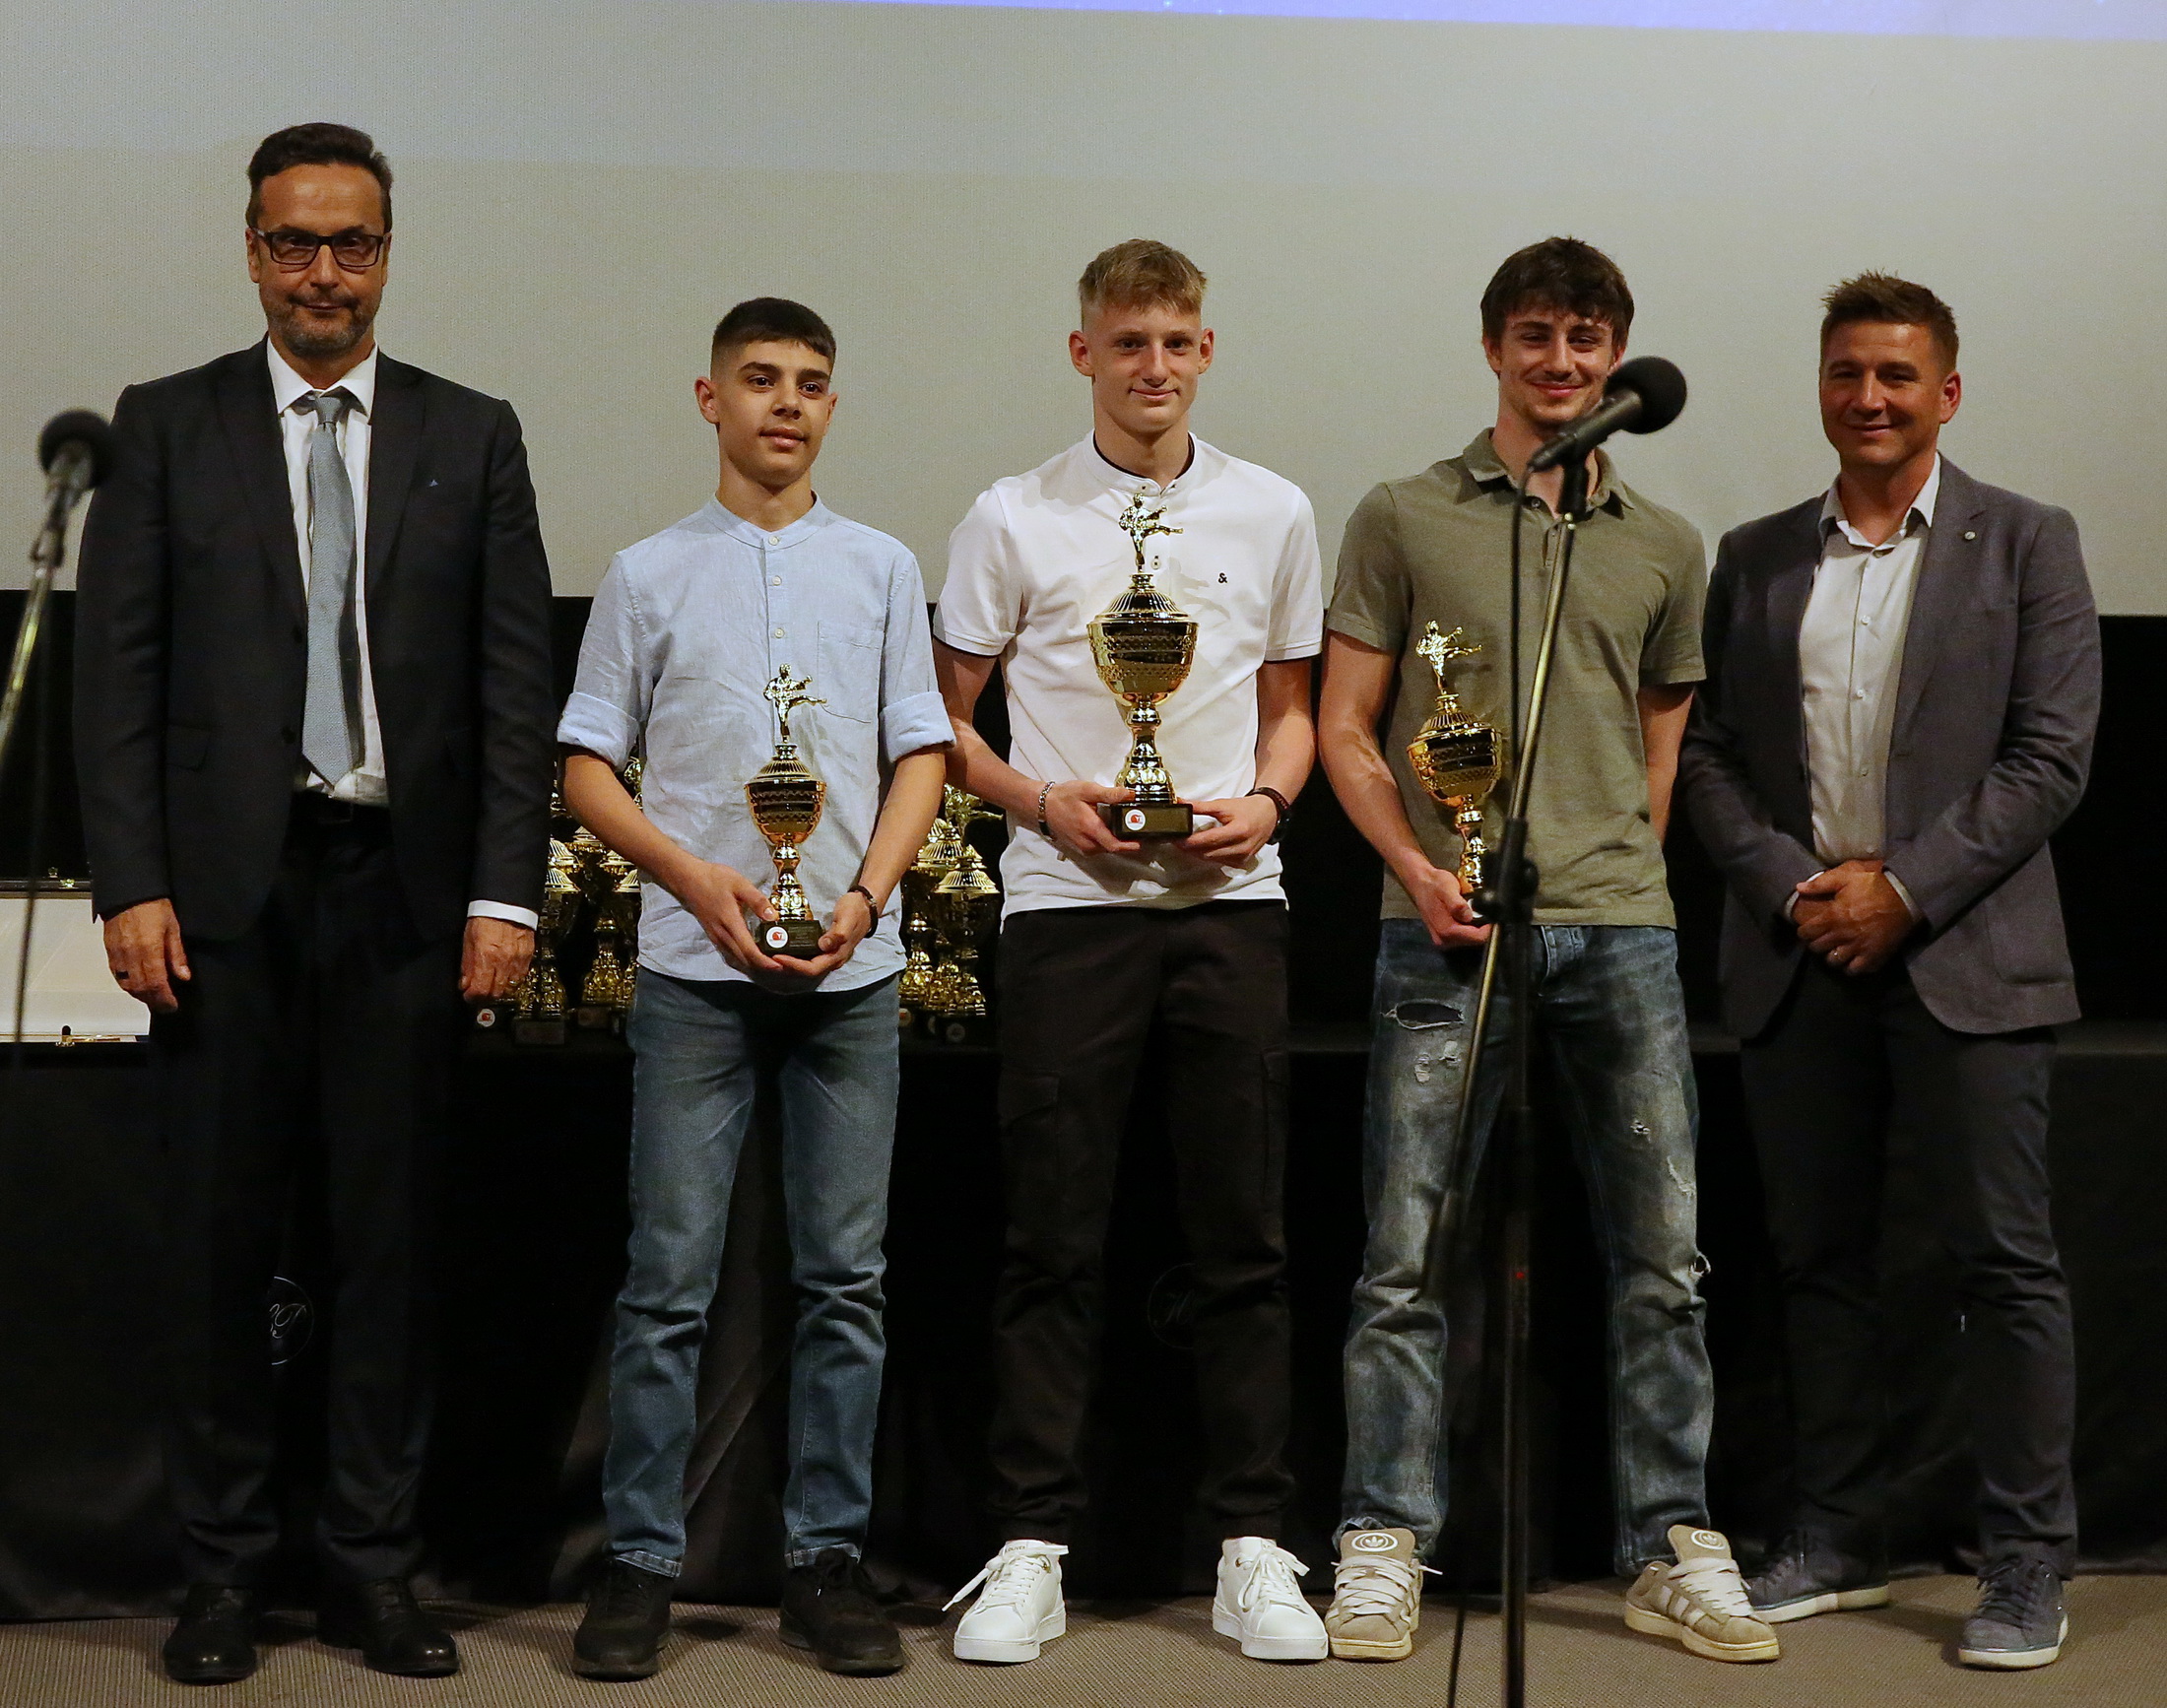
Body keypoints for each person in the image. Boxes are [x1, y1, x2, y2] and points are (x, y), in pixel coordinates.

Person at [72, 123, 557, 1683]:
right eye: (295, 242)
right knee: (219, 1248)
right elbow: (116, 677)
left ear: (387, 255)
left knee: (388, 1248)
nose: (324, 273)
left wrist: (506, 890)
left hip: (404, 893)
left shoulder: (472, 433)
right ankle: (221, 1572)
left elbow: (511, 687)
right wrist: (131, 879)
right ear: (252, 251)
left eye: (351, 243)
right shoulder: (166, 424)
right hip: (222, 898)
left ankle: (372, 1568)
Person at [1316, 236, 1776, 1666]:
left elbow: (1659, 746)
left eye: (1585, 338)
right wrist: (1416, 868)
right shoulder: (1404, 513)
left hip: (1620, 934)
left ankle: (1669, 1541)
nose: (1561, 362)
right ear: (1493, 348)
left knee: (1662, 1258)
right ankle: (1384, 1536)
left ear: (1617, 356)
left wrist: (1612, 876)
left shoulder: (1663, 541)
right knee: (1405, 1255)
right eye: (1535, 335)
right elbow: (1345, 725)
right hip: (1442, 931)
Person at [1680, 275, 2098, 1670]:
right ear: (1821, 386)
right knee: (1819, 1264)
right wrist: (1790, 886)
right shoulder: (1753, 556)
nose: (1870, 397)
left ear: (1947, 393)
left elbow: (2051, 758)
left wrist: (1904, 890)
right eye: (1848, 373)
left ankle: (2026, 1559)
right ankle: (1839, 1532)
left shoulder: (2028, 540)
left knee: (2007, 1267)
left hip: (1968, 954)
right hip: (1799, 952)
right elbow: (1709, 755)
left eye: (1898, 376)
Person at [932, 239, 1326, 1665]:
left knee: (1244, 1242)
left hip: (1231, 910)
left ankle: (1252, 1545)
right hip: (1066, 911)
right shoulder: (1011, 515)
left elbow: (1292, 709)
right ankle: (1031, 1542)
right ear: (1082, 352)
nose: (1153, 366)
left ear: (1206, 351)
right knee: (1051, 1238)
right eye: (1128, 342)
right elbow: (944, 725)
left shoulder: (1274, 509)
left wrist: (1269, 802)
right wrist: (1047, 802)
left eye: (1176, 341)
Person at [558, 298, 950, 1680]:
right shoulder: (647, 573)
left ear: (833, 407)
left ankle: (825, 1560)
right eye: (762, 379)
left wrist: (866, 897)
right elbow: (587, 764)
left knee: (846, 1280)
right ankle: (639, 1563)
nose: (788, 403)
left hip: (850, 974)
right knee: (668, 1281)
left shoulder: (884, 568)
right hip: (693, 974)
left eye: (812, 383)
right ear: (709, 397)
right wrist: (690, 875)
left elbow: (921, 752)